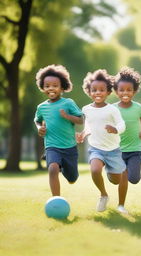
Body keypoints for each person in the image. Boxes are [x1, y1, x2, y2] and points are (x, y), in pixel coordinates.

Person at [76, 69, 126, 212]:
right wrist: (83, 134)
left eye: (101, 90)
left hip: (113, 151)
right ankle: (103, 195)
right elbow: (88, 126)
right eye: (94, 90)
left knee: (116, 180)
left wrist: (115, 129)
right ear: (89, 91)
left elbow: (122, 124)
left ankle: (111, 171)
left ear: (108, 92)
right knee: (95, 169)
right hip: (96, 148)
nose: (98, 93)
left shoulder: (112, 109)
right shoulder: (86, 109)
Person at [34, 64, 83, 196]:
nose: (51, 88)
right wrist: (39, 128)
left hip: (69, 147)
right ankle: (56, 200)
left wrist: (67, 116)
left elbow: (81, 120)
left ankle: (66, 169)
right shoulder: (41, 107)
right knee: (52, 169)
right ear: (43, 87)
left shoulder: (68, 103)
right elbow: (37, 120)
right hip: (51, 145)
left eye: (55, 85)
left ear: (62, 87)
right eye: (47, 86)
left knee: (72, 178)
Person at [113, 66, 141, 214]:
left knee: (134, 179)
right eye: (121, 90)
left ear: (134, 91)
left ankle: (123, 176)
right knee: (122, 176)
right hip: (117, 150)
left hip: (135, 150)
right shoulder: (113, 108)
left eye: (129, 90)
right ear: (116, 91)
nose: (125, 93)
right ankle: (121, 205)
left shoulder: (139, 108)